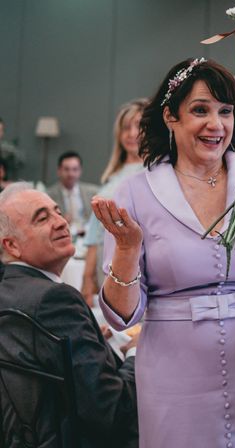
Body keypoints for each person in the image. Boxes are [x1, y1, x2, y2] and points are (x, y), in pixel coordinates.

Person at [92, 58, 235, 448]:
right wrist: (129, 250)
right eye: (200, 110)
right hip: (173, 378)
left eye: (225, 111)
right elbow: (120, 315)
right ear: (170, 116)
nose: (216, 125)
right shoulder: (134, 192)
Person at [0, 183, 138, 447]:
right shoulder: (55, 300)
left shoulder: (10, 291)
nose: (61, 223)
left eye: (58, 212)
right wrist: (135, 354)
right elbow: (110, 409)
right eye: (42, 218)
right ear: (12, 245)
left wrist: (91, 338)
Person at [81, 99, 147, 306]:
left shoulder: (153, 172)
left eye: (138, 126)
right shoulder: (113, 175)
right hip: (104, 260)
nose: (131, 133)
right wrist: (86, 277)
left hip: (136, 261)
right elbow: (94, 233)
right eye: (126, 127)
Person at [47, 151, 99, 235]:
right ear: (59, 171)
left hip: (88, 236)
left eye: (75, 169)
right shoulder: (48, 196)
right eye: (66, 169)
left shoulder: (93, 192)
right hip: (63, 236)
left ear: (80, 171)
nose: (71, 174)